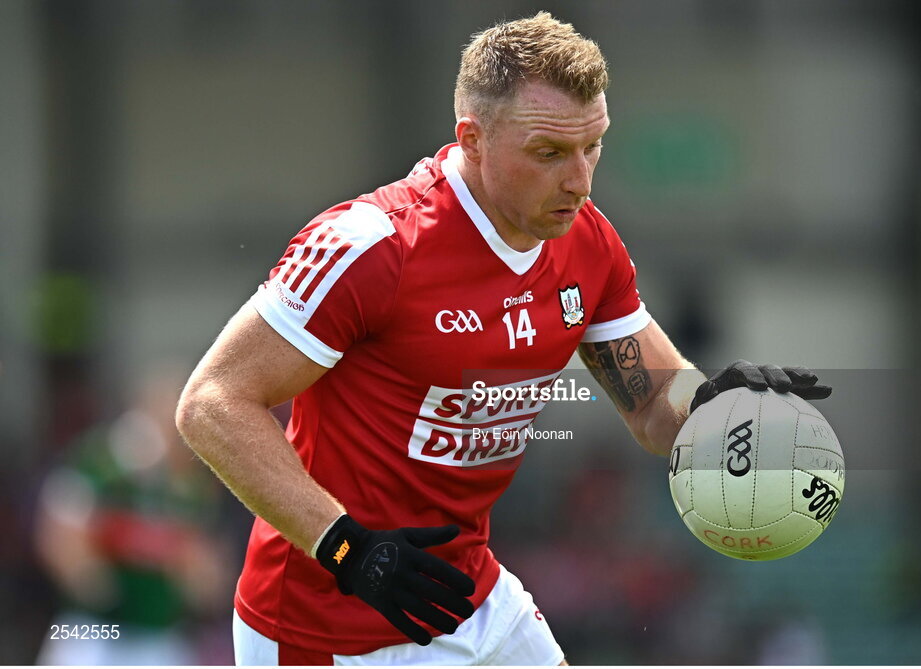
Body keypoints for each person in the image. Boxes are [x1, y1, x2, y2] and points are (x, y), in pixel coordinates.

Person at [175, 11, 832, 666]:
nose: (579, 179)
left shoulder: (587, 242)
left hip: (476, 598)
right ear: (473, 138)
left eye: (592, 146)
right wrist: (345, 546)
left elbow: (653, 405)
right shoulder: (371, 247)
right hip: (329, 624)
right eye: (548, 153)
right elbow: (211, 402)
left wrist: (712, 403)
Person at [36, 365, 232, 665]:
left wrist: (197, 576)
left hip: (160, 635)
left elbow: (206, 576)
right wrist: (86, 573)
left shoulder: (191, 488)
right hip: (91, 630)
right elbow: (59, 534)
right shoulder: (98, 466)